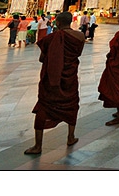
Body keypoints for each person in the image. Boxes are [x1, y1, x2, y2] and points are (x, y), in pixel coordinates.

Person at [24, 11, 85, 155]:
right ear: (70, 21)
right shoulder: (80, 36)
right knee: (71, 105)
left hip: (51, 80)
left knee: (43, 109)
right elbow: (78, 53)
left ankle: (38, 146)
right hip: (70, 78)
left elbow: (41, 58)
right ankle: (70, 137)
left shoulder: (51, 38)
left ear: (57, 23)